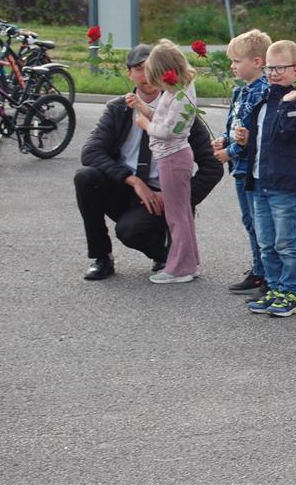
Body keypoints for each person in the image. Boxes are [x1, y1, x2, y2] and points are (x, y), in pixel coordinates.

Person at [75, 44, 221, 281]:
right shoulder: (118, 108)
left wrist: (178, 198)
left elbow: (212, 166)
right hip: (127, 187)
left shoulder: (180, 109)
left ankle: (169, 254)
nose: (147, 75)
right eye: (139, 69)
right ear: (129, 74)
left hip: (162, 195)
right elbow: (91, 151)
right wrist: (131, 180)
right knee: (85, 177)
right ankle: (101, 257)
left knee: (130, 231)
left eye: (151, 67)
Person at [241, 40, 296, 317]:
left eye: (281, 67)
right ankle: (273, 288)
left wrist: (288, 103)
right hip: (260, 181)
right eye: (270, 67)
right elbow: (259, 139)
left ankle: (290, 293)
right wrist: (244, 138)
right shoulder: (264, 101)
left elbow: (289, 133)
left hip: (284, 183)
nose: (273, 73)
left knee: (285, 242)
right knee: (266, 241)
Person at [129, 40, 206, 284]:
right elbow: (164, 117)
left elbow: (168, 130)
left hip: (172, 158)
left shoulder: (182, 96)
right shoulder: (177, 90)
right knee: (181, 212)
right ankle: (189, 263)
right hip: (171, 157)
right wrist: (143, 107)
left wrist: (145, 125)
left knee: (176, 215)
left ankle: (180, 268)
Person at [213, 30, 271, 297]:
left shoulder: (262, 92)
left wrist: (232, 151)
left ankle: (267, 274)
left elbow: (252, 134)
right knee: (249, 220)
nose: (232, 66)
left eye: (237, 61)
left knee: (259, 221)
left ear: (258, 61)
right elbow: (235, 125)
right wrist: (224, 141)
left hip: (250, 165)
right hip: (238, 165)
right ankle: (258, 270)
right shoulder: (240, 92)